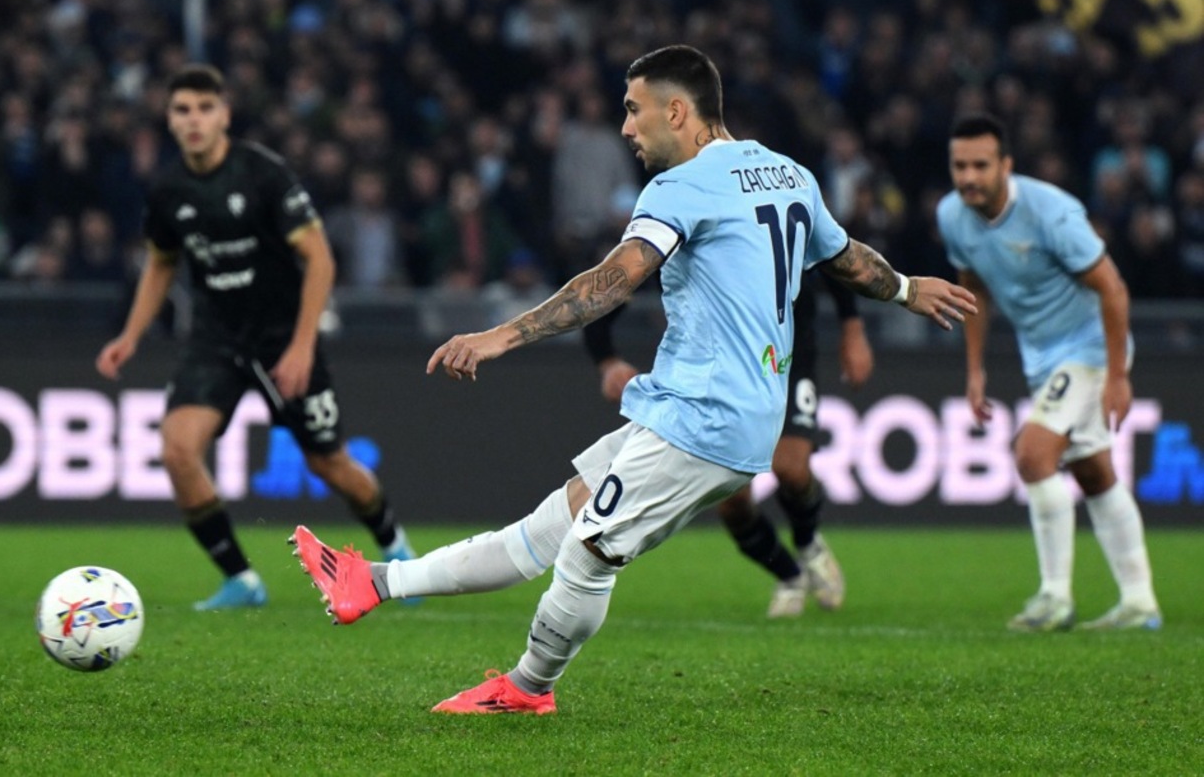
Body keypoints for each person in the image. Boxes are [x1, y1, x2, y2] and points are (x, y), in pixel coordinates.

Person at [291, 45, 974, 714]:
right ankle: (373, 581)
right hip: (698, 407)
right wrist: (910, 288)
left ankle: (527, 690)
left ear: (678, 112)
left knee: (589, 551)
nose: (625, 128)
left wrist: (500, 334)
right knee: (551, 527)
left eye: (633, 110)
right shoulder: (788, 173)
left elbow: (613, 280)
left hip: (708, 414)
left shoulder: (682, 186)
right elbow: (847, 257)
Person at [95, 65, 417, 611]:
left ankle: (399, 552)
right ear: (170, 121)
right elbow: (161, 264)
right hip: (216, 339)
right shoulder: (170, 191)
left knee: (329, 464)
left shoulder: (263, 174)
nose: (193, 120)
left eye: (204, 108)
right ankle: (241, 580)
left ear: (224, 114)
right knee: (177, 449)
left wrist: (301, 345)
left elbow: (319, 258)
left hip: (281, 337)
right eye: (182, 110)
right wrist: (132, 333)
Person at [939, 112, 1161, 632]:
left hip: (1089, 348)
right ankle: (1140, 603)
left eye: (980, 165)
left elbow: (1113, 288)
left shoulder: (1051, 213)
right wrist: (975, 371)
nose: (969, 177)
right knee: (1094, 473)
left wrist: (1118, 377)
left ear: (1006, 166)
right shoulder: (952, 215)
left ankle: (1054, 597)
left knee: (1032, 453)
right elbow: (972, 288)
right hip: (1040, 356)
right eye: (959, 166)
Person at [582, 270, 874, 618]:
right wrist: (607, 362)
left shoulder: (770, 215)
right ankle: (789, 575)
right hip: (716, 370)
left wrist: (852, 329)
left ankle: (809, 544)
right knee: (732, 501)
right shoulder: (671, 231)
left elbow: (835, 255)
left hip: (785, 355)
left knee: (792, 469)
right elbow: (605, 294)